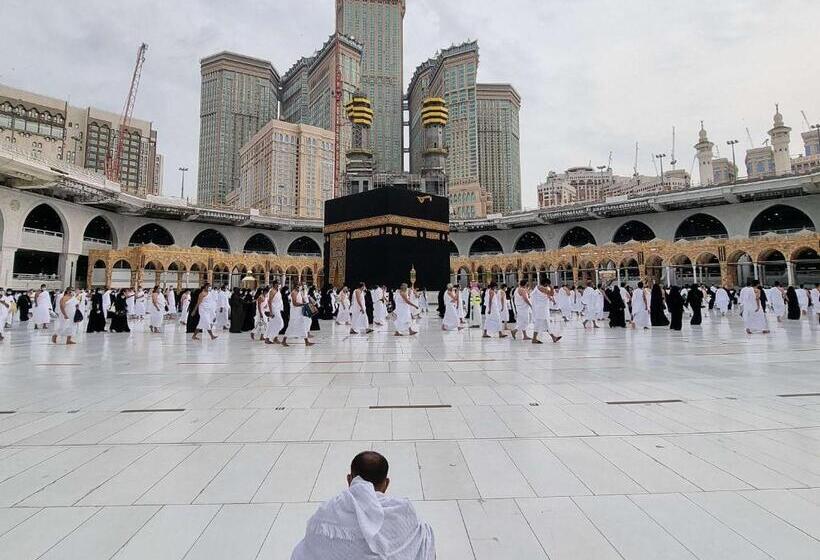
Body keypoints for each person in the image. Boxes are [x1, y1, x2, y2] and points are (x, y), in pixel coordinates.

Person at [291, 451, 435, 560]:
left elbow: (304, 552)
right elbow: (424, 545)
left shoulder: (327, 512)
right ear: (386, 483)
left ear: (349, 480)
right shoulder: (403, 512)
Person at [283, 281, 314, 347]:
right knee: (291, 326)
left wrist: (306, 304)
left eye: (300, 285)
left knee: (303, 326)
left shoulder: (299, 292)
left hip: (300, 311)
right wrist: (303, 304)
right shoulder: (293, 293)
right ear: (295, 286)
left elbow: (303, 300)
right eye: (298, 285)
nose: (299, 286)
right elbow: (294, 303)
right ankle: (284, 340)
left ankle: (306, 341)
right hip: (294, 312)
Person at [530, 279, 562, 344]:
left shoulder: (540, 288)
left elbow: (548, 296)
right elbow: (551, 294)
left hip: (542, 309)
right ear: (546, 283)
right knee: (538, 323)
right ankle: (534, 338)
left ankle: (553, 337)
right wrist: (551, 287)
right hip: (540, 309)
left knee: (547, 324)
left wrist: (551, 299)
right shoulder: (541, 288)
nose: (548, 286)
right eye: (548, 284)